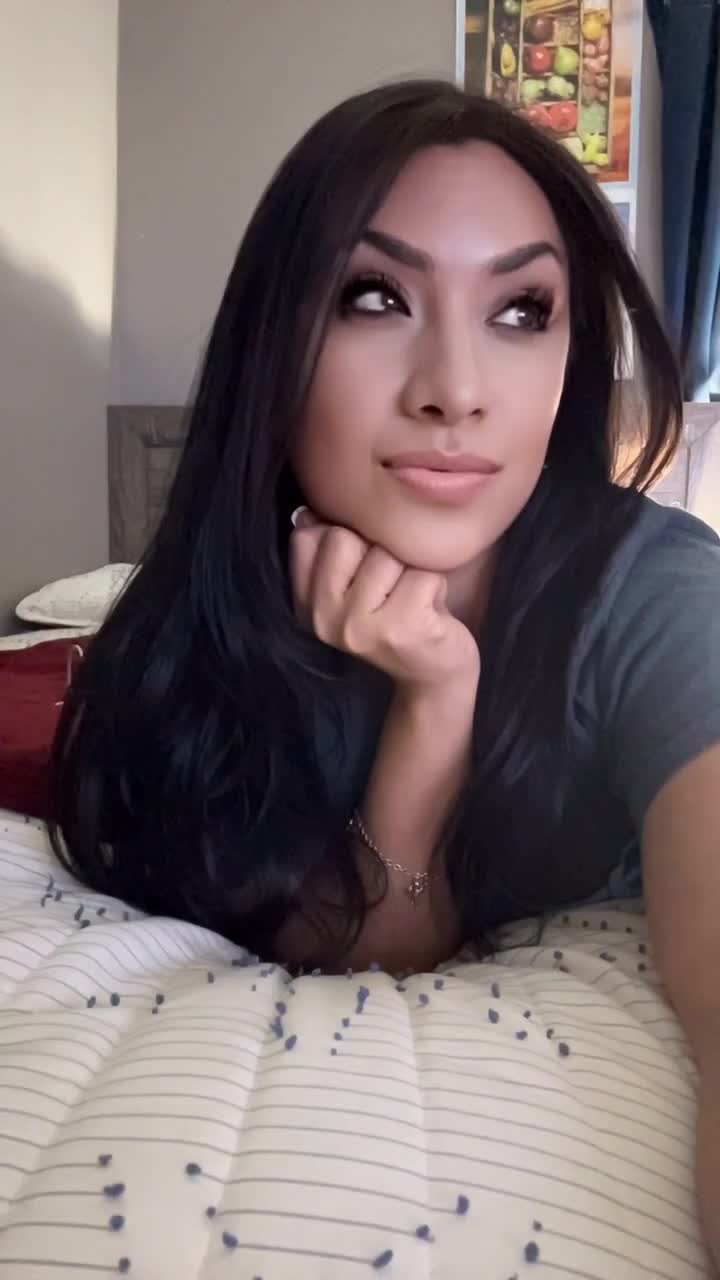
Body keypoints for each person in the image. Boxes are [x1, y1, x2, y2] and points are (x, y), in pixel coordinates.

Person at [49, 78, 719, 995]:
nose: (456, 391)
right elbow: (374, 950)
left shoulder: (658, 595)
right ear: (272, 342)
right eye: (375, 298)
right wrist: (433, 704)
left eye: (521, 311)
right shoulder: (199, 634)